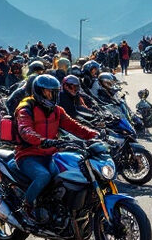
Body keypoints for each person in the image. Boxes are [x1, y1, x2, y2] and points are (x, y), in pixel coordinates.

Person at [12, 74, 98, 221]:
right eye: (48, 92)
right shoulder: (26, 109)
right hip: (28, 154)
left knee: (69, 173)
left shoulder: (57, 110)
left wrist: (94, 135)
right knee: (43, 176)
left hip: (50, 154)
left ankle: (59, 208)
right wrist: (42, 141)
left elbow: (75, 126)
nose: (52, 96)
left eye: (54, 92)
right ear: (38, 92)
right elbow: (25, 130)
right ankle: (27, 207)